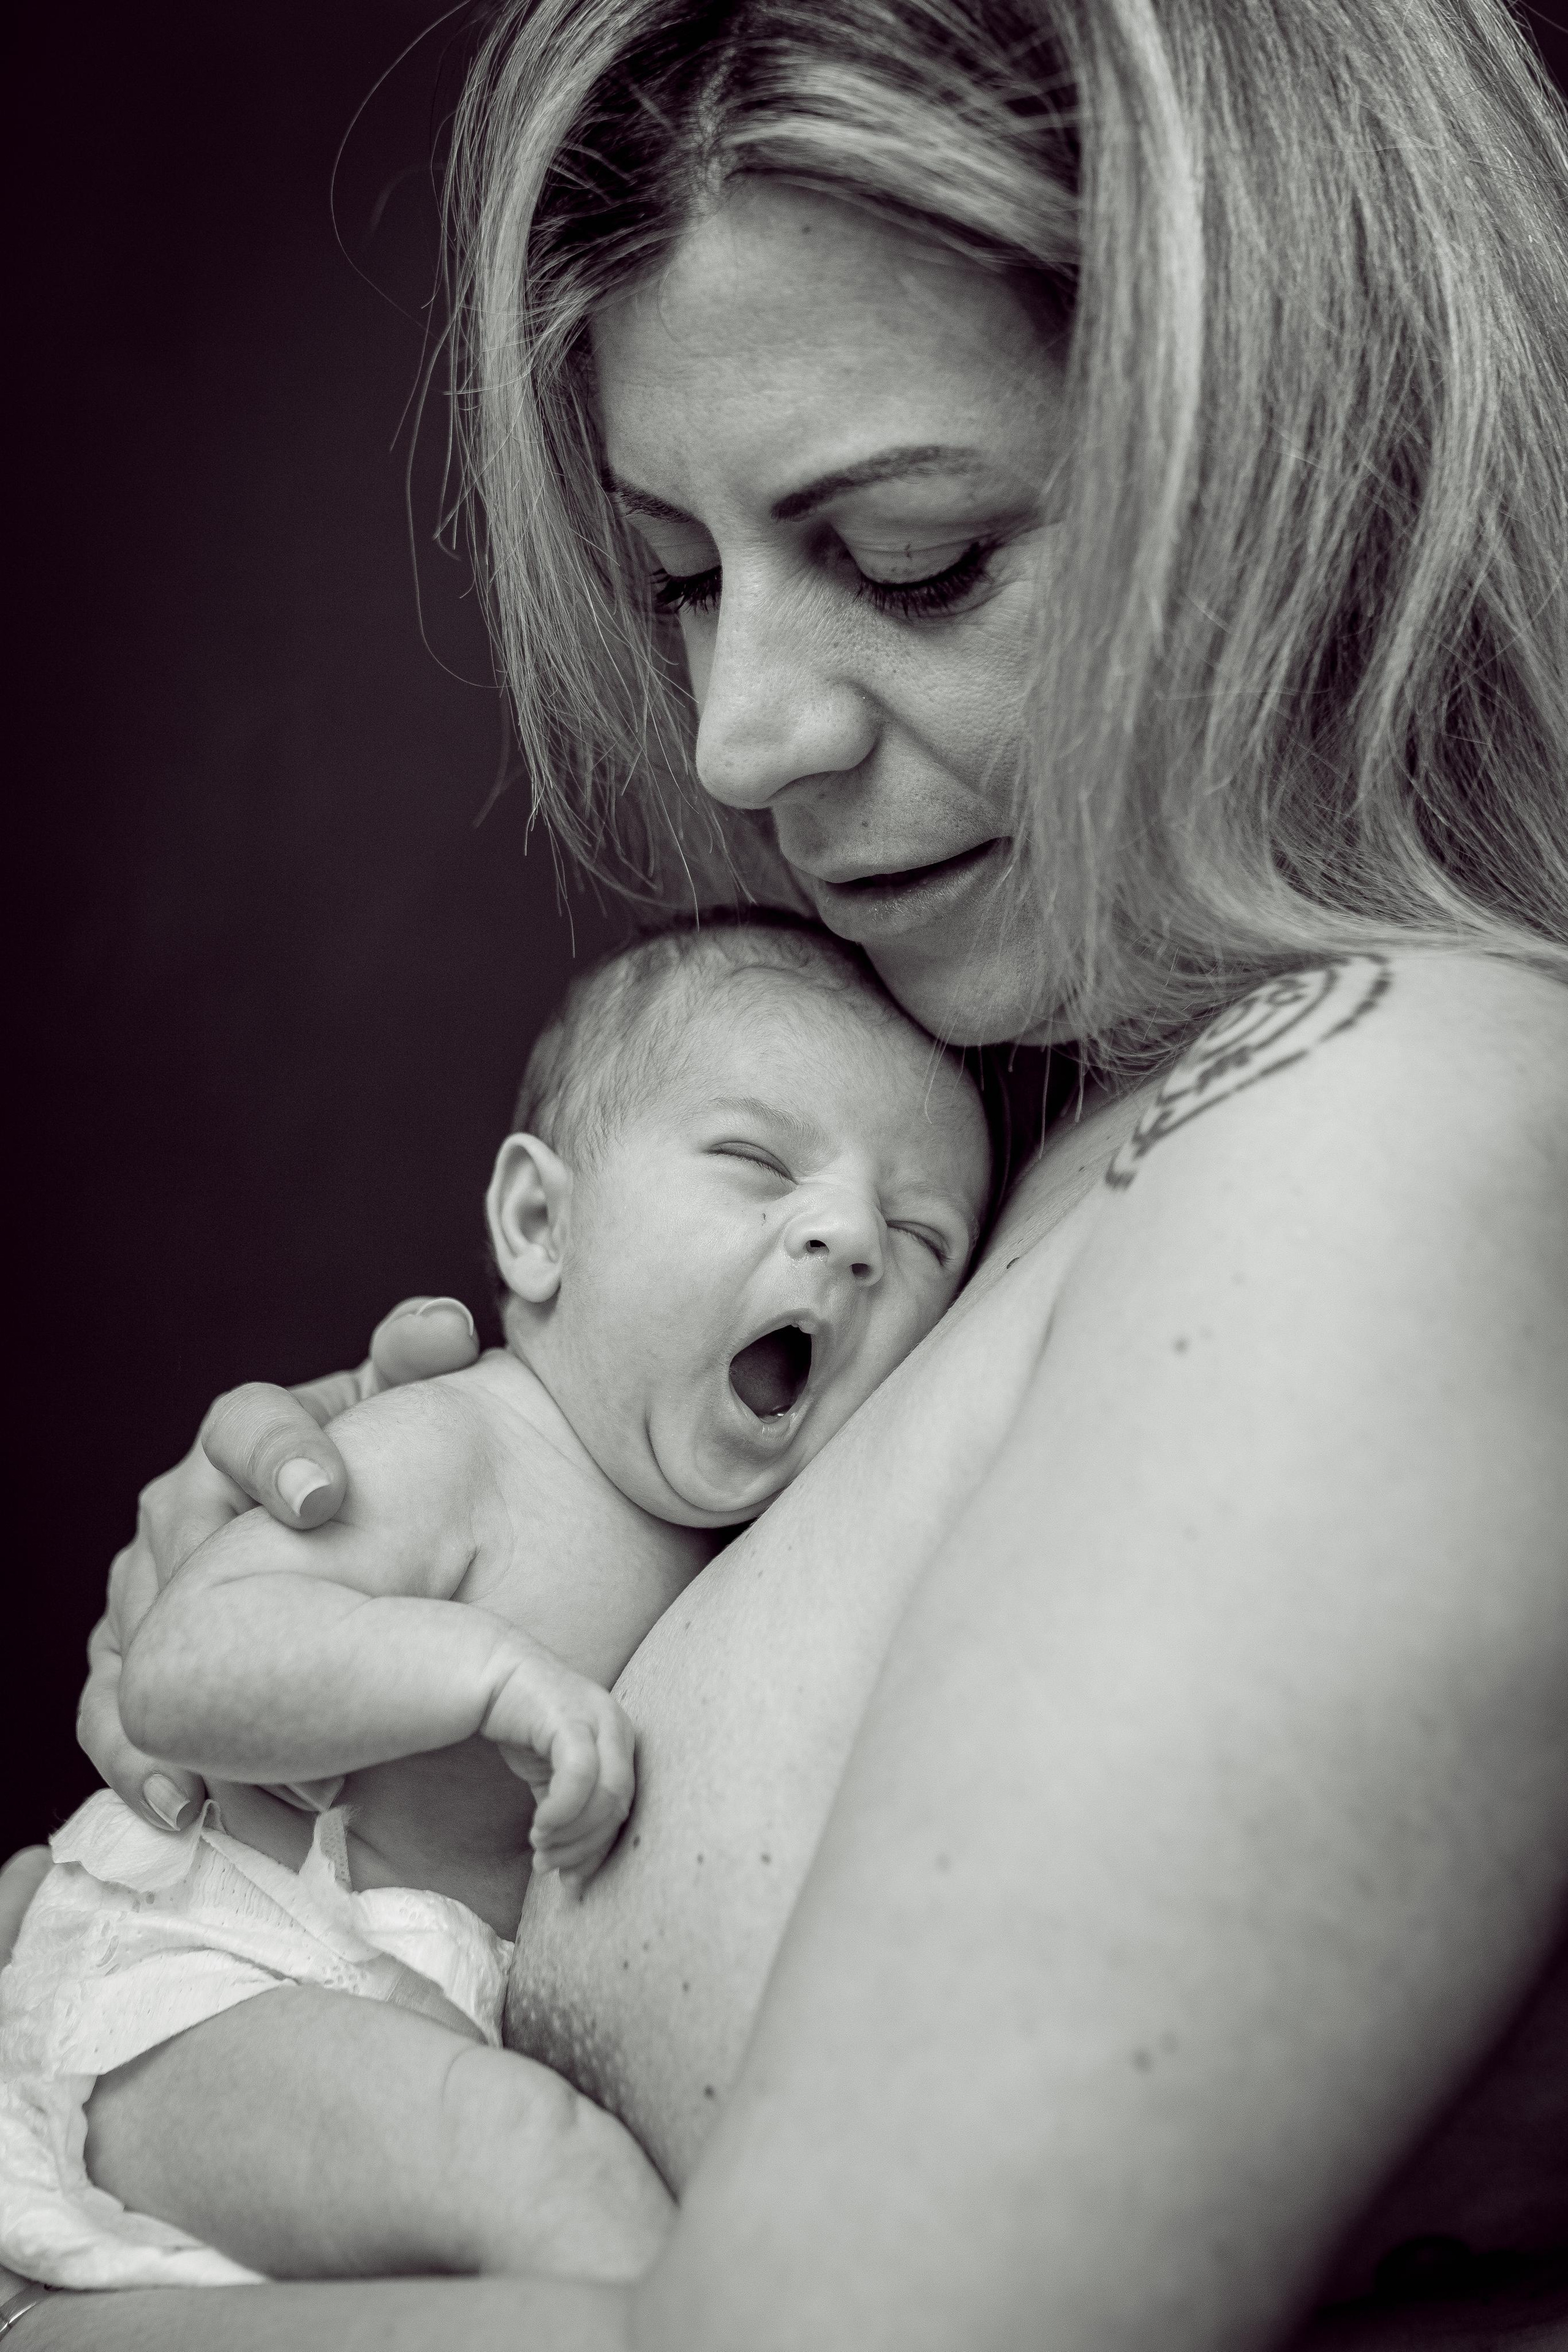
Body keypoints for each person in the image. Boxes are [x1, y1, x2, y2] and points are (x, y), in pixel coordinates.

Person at [5, 0, 1568, 2343]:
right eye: (679, 574)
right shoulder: (1066, 1096)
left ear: (1330, 452)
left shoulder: (1391, 1133)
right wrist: (345, 1592)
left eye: (919, 562)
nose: (741, 738)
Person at [0, 919, 989, 2291]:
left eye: (922, 1237)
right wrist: (485, 1674)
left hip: (390, 2026)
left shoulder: (744, 1542)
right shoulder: (465, 1447)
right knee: (548, 2174)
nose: (847, 1237)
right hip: (209, 1985)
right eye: (756, 1163)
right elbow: (180, 1673)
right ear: (540, 1223)